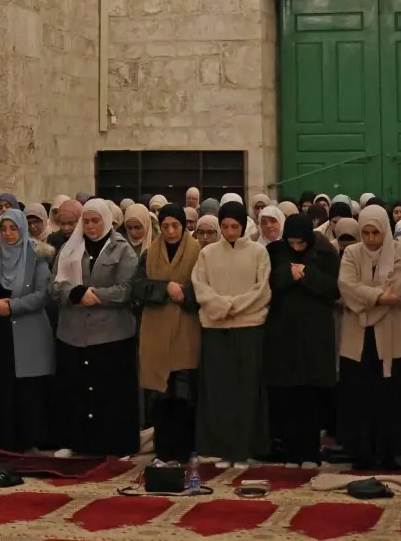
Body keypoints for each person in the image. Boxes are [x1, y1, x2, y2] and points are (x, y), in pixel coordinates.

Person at [53, 198, 140, 456]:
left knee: (110, 392)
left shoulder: (122, 249)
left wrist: (94, 294)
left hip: (111, 333)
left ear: (106, 220)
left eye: (95, 221)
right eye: (86, 221)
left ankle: (115, 444)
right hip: (74, 333)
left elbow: (126, 290)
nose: (90, 226)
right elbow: (54, 285)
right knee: (76, 389)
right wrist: (75, 292)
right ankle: (74, 442)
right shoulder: (71, 248)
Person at [193, 201, 271, 466]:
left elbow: (262, 289)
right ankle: (224, 449)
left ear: (243, 226)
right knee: (219, 391)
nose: (229, 231)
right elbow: (200, 286)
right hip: (215, 328)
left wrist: (232, 306)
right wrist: (222, 307)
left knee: (246, 391)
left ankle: (243, 450)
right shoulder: (207, 253)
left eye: (234, 226)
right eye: (224, 226)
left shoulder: (259, 252)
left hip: (248, 328)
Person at [337, 204, 401, 470]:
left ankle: (390, 453)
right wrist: (380, 297)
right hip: (358, 338)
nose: (371, 239)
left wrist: (364, 302)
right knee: (360, 396)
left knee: (389, 397)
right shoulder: (351, 253)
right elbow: (347, 286)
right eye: (366, 233)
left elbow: (399, 290)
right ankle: (362, 453)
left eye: (376, 233)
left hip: (392, 336)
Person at [0, 208, 55, 451]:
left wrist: (14, 306)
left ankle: (25, 440)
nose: (8, 234)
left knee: (24, 388)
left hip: (25, 330)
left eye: (13, 228)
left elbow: (43, 294)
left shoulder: (37, 256)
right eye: (4, 228)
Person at [265, 213, 341, 465]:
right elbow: (269, 283)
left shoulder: (325, 253)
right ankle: (291, 452)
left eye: (300, 243)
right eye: (292, 243)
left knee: (310, 397)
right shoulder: (277, 251)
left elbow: (333, 288)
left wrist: (307, 274)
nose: (296, 247)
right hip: (283, 334)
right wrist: (287, 273)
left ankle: (309, 453)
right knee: (287, 397)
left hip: (314, 335)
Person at [131, 204, 204, 462]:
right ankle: (164, 449)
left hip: (187, 330)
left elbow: (205, 287)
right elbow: (138, 288)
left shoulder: (199, 253)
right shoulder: (149, 254)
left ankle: (186, 449)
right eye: (166, 226)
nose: (171, 231)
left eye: (175, 225)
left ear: (184, 226)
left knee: (184, 392)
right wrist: (166, 288)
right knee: (161, 394)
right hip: (157, 332)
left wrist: (184, 294)